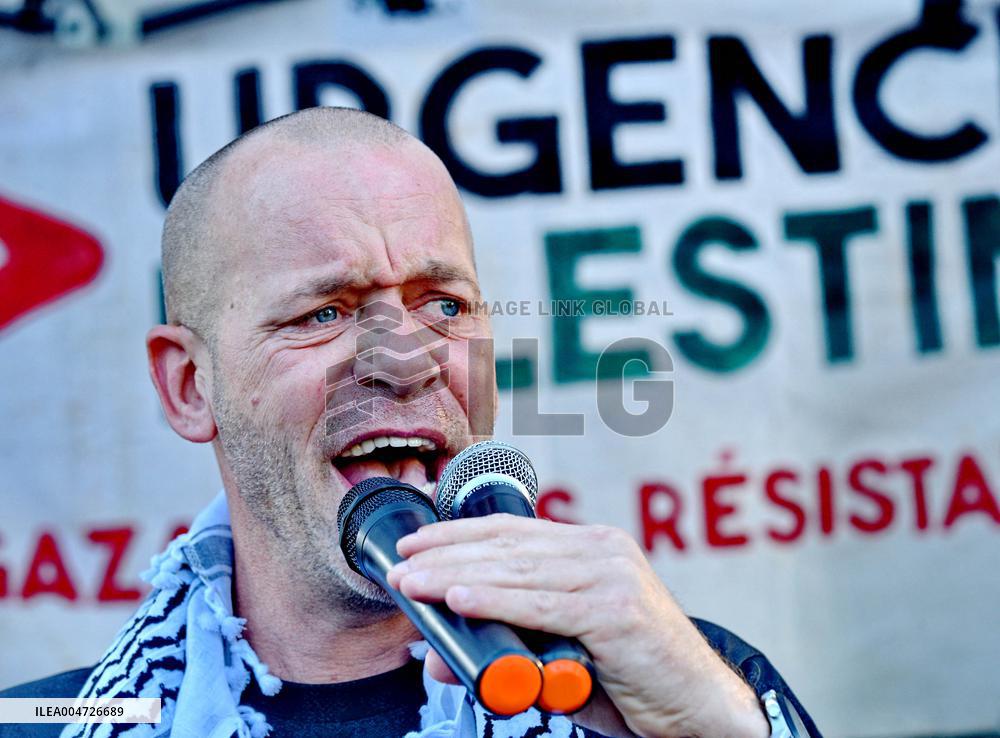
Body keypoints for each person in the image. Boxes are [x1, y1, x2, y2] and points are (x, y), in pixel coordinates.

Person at [0, 107, 820, 738]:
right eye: (324, 313)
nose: (407, 360)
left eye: (443, 305)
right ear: (189, 386)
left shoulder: (682, 682)